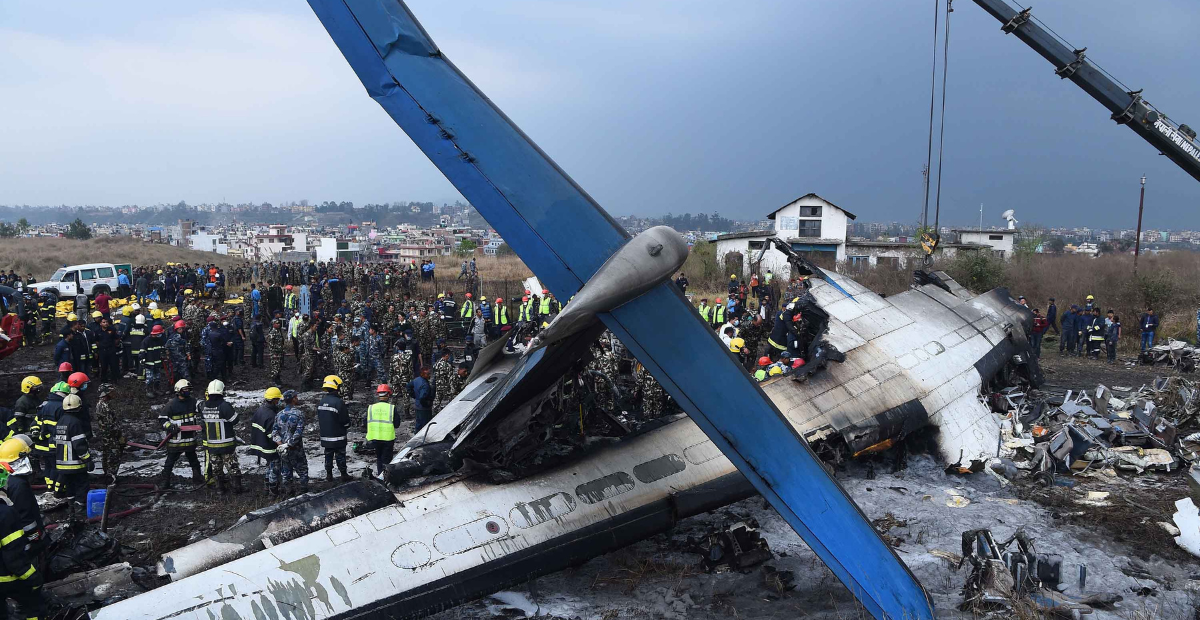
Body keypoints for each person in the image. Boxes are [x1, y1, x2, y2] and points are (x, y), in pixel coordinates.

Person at [0, 458, 45, 619]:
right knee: (33, 607)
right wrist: (32, 577)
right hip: (7, 577)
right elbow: (13, 555)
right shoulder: (5, 513)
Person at [199, 379, 242, 494]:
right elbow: (235, 420)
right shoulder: (224, 406)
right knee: (232, 466)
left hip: (212, 445)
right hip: (226, 444)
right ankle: (237, 488)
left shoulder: (203, 406)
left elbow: (203, 423)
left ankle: (220, 489)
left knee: (216, 468)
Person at [158, 380, 203, 489]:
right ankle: (165, 481)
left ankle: (197, 478)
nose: (187, 391)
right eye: (185, 389)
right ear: (179, 391)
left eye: (188, 389)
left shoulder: (193, 402)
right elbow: (162, 419)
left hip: (190, 440)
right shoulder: (171, 404)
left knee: (194, 461)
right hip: (176, 441)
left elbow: (202, 408)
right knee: (170, 462)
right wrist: (170, 426)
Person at [55, 394, 93, 520]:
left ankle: (71, 506)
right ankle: (80, 507)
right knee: (82, 484)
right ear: (78, 408)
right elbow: (80, 445)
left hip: (61, 463)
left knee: (69, 485)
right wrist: (88, 459)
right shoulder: (75, 423)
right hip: (76, 463)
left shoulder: (60, 421)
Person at [31, 382, 69, 491]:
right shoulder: (62, 407)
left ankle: (49, 486)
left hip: (41, 445)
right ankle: (56, 488)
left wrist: (37, 435)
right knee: (55, 467)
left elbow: (35, 424)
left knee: (48, 466)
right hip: (53, 445)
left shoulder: (44, 405)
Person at [271, 391, 308, 493]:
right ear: (293, 399)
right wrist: (289, 444)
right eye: (296, 397)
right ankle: (303, 491)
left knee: (286, 471)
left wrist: (281, 445)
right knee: (302, 470)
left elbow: (274, 432)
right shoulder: (299, 414)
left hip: (283, 450)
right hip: (296, 449)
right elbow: (298, 432)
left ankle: (289, 492)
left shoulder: (279, 415)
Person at [317, 376, 352, 482]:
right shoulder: (338, 402)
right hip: (338, 437)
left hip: (325, 437)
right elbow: (344, 420)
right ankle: (343, 474)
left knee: (328, 456)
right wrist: (347, 426)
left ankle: (329, 475)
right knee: (340, 455)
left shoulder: (322, 402)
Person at [249, 387, 283, 495]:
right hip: (269, 448)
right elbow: (273, 435)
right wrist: (282, 445)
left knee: (269, 467)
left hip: (261, 444)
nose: (279, 401)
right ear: (273, 400)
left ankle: (266, 488)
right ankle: (273, 492)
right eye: (278, 399)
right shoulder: (271, 416)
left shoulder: (260, 410)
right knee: (274, 468)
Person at [366, 384, 399, 476]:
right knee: (387, 460)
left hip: (374, 438)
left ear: (378, 395)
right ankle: (385, 478)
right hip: (387, 439)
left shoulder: (371, 408)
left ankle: (380, 475)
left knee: (379, 458)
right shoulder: (391, 408)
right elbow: (397, 424)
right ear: (388, 395)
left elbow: (365, 422)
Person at [93, 383, 123, 481]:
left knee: (106, 455)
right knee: (113, 456)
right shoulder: (104, 406)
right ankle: (111, 478)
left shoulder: (101, 404)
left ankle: (108, 476)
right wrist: (119, 435)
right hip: (110, 436)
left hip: (106, 436)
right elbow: (110, 424)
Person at [141, 324, 167, 394]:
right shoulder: (146, 341)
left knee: (157, 378)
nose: (160, 335)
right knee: (150, 379)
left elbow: (162, 349)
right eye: (159, 334)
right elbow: (142, 352)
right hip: (149, 364)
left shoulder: (159, 340)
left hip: (157, 363)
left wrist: (163, 355)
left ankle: (157, 389)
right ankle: (149, 391)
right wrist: (142, 360)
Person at [409, 366, 434, 433]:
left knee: (418, 423)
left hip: (417, 406)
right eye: (428, 374)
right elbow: (422, 397)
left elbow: (408, 386)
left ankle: (416, 438)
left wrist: (413, 395)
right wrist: (426, 404)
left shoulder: (416, 380)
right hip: (424, 408)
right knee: (425, 426)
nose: (429, 375)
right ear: (424, 374)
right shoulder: (425, 385)